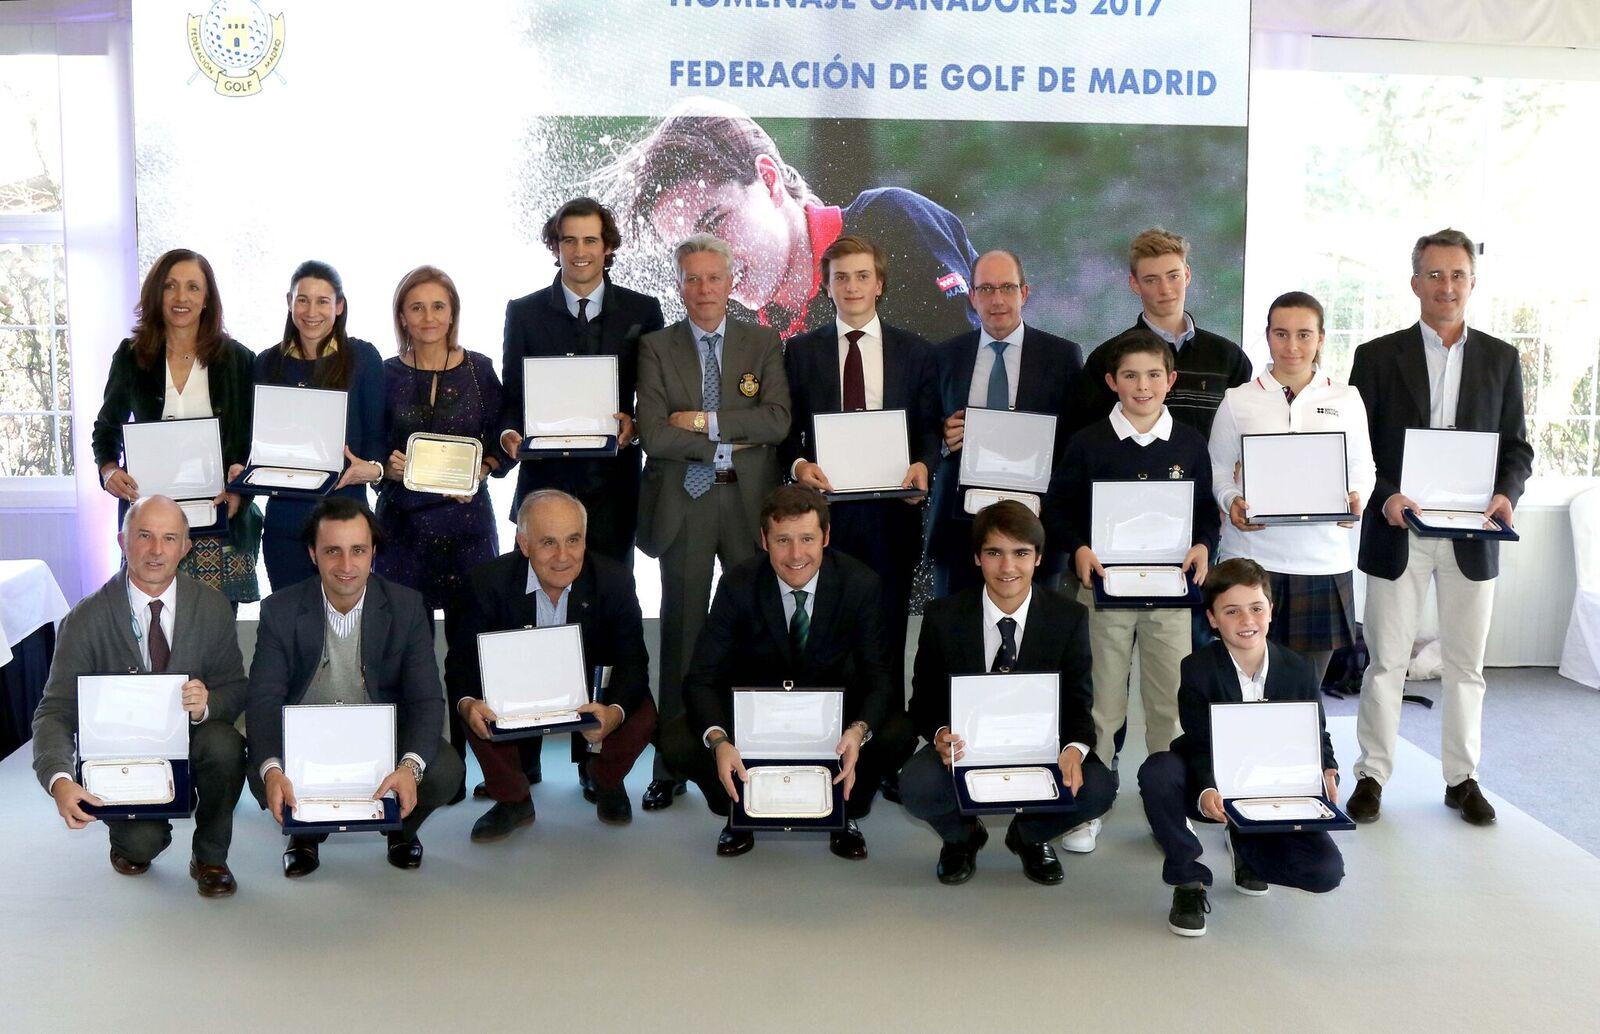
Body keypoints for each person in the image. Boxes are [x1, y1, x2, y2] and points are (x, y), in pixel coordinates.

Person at [1344, 228, 1533, 827]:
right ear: (1415, 283)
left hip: (1474, 536)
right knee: (1385, 661)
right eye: (1434, 274)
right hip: (1399, 530)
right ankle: (1372, 776)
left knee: (1466, 665)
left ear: (1472, 282)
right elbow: (1360, 447)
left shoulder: (1502, 359)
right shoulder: (1375, 357)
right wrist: (1387, 494)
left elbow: (1518, 448)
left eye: (1457, 275)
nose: (1446, 286)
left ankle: (1462, 779)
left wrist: (1506, 495)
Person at [660, 485, 915, 859]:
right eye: (783, 540)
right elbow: (701, 677)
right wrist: (720, 742)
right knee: (680, 739)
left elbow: (882, 677)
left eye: (807, 539)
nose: (796, 555)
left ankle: (845, 813)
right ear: (763, 540)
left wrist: (858, 731)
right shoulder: (737, 584)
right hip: (757, 724)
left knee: (897, 732)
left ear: (826, 537)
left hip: (834, 726)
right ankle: (738, 811)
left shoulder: (860, 584)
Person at [1043, 327, 1220, 852]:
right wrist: (1078, 548)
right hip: (1105, 596)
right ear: (1111, 382)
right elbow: (1058, 508)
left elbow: (1206, 511)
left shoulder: (1189, 442)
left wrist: (1204, 544)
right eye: (1129, 376)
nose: (1141, 387)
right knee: (1101, 705)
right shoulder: (1089, 442)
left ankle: (1167, 806)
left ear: (1170, 380)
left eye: (1152, 375)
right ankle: (1088, 804)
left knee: (1168, 706)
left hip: (1170, 598)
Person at [634, 233, 791, 810]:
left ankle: (756, 751)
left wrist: (700, 421)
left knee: (753, 633)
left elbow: (775, 421)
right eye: (691, 279)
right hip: (687, 506)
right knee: (681, 635)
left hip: (750, 509)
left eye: (713, 278)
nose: (703, 289)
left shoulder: (763, 341)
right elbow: (654, 434)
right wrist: (729, 439)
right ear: (679, 286)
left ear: (732, 281)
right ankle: (672, 761)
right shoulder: (654, 347)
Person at [624, 97, 980, 343]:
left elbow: (977, 370)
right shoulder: (738, 332)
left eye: (715, 223)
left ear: (768, 180)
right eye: (687, 250)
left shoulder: (888, 224)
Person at [31, 496, 249, 897]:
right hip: (123, 756)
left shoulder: (214, 607)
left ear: (186, 547)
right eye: (144, 536)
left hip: (191, 742)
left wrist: (207, 706)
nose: (156, 550)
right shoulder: (83, 619)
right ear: (122, 540)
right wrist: (59, 780)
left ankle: (210, 856)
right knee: (141, 848)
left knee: (226, 744)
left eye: (169, 539)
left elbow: (236, 688)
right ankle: (133, 837)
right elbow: (56, 710)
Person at [899, 501, 1116, 886]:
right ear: (977, 558)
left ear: (1039, 559)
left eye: (1021, 553)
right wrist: (939, 735)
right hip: (967, 747)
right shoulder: (942, 616)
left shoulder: (1068, 618)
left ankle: (1029, 836)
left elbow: (1079, 704)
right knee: (916, 785)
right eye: (994, 553)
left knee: (1099, 787)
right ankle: (963, 837)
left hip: (1040, 747)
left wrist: (1073, 750)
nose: (1007, 567)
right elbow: (923, 701)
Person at [245, 496, 464, 876]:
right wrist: (273, 769)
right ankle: (304, 833)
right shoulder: (279, 610)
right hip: (307, 744)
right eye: (333, 551)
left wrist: (409, 768)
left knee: (443, 768)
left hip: (379, 741)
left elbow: (426, 699)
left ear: (373, 552)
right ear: (313, 553)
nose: (346, 566)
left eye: (358, 550)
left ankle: (400, 827)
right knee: (260, 767)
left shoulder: (407, 606)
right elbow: (264, 700)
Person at [1139, 559, 1345, 937]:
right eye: (1231, 611)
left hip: (1269, 787)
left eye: (1256, 608)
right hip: (1210, 774)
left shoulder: (1298, 669)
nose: (1246, 620)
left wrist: (1327, 769)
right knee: (1158, 771)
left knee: (1325, 873)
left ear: (1270, 610)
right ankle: (1189, 880)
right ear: (1213, 619)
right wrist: (1206, 790)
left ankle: (1247, 849)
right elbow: (1201, 742)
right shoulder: (1197, 669)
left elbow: (1316, 733)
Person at [781, 234, 942, 709]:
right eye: (841, 278)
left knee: (887, 635)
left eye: (862, 276)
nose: (852, 286)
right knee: (826, 633)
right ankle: (828, 742)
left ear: (880, 284)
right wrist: (798, 465)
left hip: (893, 516)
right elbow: (786, 432)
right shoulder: (801, 352)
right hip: (824, 520)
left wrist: (923, 466)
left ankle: (884, 747)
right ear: (826, 287)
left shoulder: (916, 352)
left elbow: (932, 432)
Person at [447, 490, 657, 839]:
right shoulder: (486, 584)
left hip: (589, 693)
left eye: (573, 540)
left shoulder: (614, 580)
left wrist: (614, 714)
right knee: (473, 707)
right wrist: (469, 704)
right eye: (548, 543)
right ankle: (513, 799)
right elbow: (461, 664)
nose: (563, 556)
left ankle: (604, 779)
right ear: (524, 544)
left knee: (641, 711)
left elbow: (634, 661)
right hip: (514, 696)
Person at [375, 265, 507, 788]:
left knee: (471, 647)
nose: (428, 317)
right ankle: (412, 759)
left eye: (438, 306)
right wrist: (387, 465)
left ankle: (465, 764)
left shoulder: (479, 369)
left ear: (452, 312)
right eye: (416, 307)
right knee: (406, 649)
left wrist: (486, 466)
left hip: (468, 527)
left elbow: (501, 439)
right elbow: (367, 446)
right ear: (401, 316)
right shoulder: (383, 374)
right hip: (401, 528)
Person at [1207, 292, 1377, 688]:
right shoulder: (1238, 400)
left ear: (1321, 338)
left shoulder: (1346, 399)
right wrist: (1231, 501)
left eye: (1304, 334)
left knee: (1304, 691)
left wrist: (1357, 499)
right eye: (1281, 334)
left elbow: (1363, 467)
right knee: (1242, 685)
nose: (1292, 346)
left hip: (1320, 564)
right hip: (1250, 560)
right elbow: (1216, 469)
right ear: (1267, 337)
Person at [498, 197, 666, 565]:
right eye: (568, 240)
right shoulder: (524, 313)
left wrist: (635, 425)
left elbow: (658, 395)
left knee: (611, 604)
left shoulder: (644, 311)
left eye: (590, 240)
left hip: (614, 489)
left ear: (607, 247)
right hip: (544, 485)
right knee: (536, 601)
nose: (580, 251)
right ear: (555, 247)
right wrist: (508, 432)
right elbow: (513, 394)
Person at [91, 249, 261, 606]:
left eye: (193, 288)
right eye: (171, 286)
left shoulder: (239, 361)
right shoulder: (131, 356)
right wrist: (108, 470)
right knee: (153, 634)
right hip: (152, 522)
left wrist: (240, 489)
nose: (181, 297)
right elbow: (106, 426)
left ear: (206, 300)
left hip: (219, 519)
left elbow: (254, 441)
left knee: (212, 641)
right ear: (157, 294)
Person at [926, 250, 1085, 598]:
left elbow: (1075, 444)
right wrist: (942, 437)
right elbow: (923, 428)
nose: (996, 300)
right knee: (956, 640)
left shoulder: (1062, 357)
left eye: (1007, 288)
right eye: (985, 289)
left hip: (1034, 527)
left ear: (1024, 293)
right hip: (959, 528)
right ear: (971, 296)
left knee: (1035, 644)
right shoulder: (945, 356)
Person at [251, 260, 387, 591]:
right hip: (286, 524)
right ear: (289, 302)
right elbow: (254, 442)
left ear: (339, 306)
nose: (312, 311)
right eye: (302, 300)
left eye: (323, 301)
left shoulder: (363, 358)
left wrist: (373, 470)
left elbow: (377, 437)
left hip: (347, 522)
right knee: (292, 625)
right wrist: (245, 466)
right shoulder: (267, 364)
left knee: (349, 626)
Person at [1078, 228, 1252, 442]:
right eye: (1151, 280)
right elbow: (1088, 439)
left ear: (1187, 275)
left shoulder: (1228, 358)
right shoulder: (1106, 359)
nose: (1165, 289)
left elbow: (1241, 437)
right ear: (1135, 284)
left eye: (1173, 276)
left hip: (1209, 475)